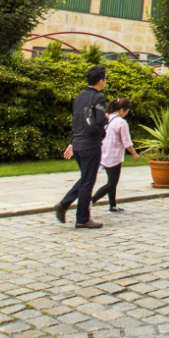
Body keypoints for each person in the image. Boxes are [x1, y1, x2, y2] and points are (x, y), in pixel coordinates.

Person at [55, 65, 109, 229]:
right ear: (100, 81)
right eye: (106, 79)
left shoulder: (79, 98)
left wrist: (72, 142)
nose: (106, 81)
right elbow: (100, 119)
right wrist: (106, 118)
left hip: (78, 143)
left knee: (85, 177)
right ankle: (82, 218)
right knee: (88, 182)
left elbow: (76, 122)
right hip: (91, 144)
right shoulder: (98, 97)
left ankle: (64, 205)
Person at [90, 98, 137, 213]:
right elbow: (127, 142)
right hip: (114, 155)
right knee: (112, 183)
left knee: (111, 181)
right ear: (122, 110)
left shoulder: (107, 118)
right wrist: (134, 154)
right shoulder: (121, 122)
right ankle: (91, 200)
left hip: (103, 153)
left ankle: (113, 205)